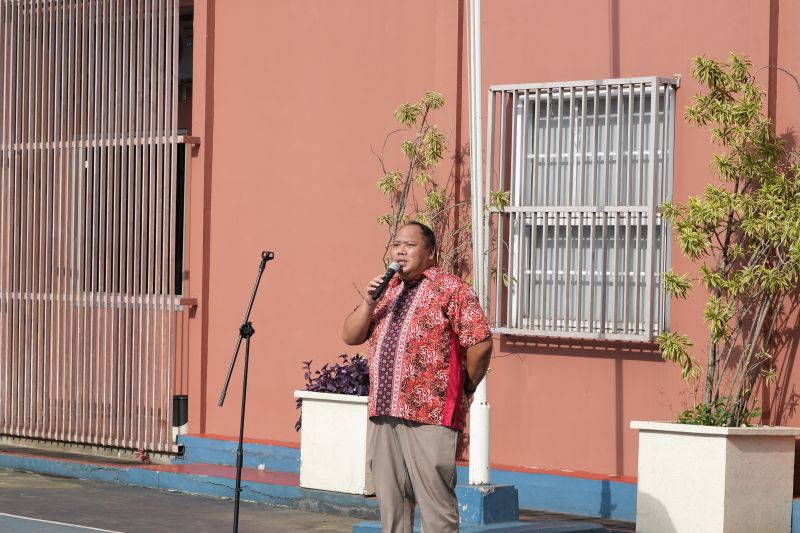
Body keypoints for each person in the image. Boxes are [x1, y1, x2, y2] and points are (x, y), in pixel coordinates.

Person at [342, 221, 493, 533]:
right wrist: (369, 302)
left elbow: (480, 341)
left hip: (431, 414)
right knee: (391, 503)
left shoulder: (451, 289)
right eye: (397, 244)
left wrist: (466, 387)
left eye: (410, 245)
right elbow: (350, 335)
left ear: (431, 253)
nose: (401, 251)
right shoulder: (387, 290)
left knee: (436, 504)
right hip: (384, 411)